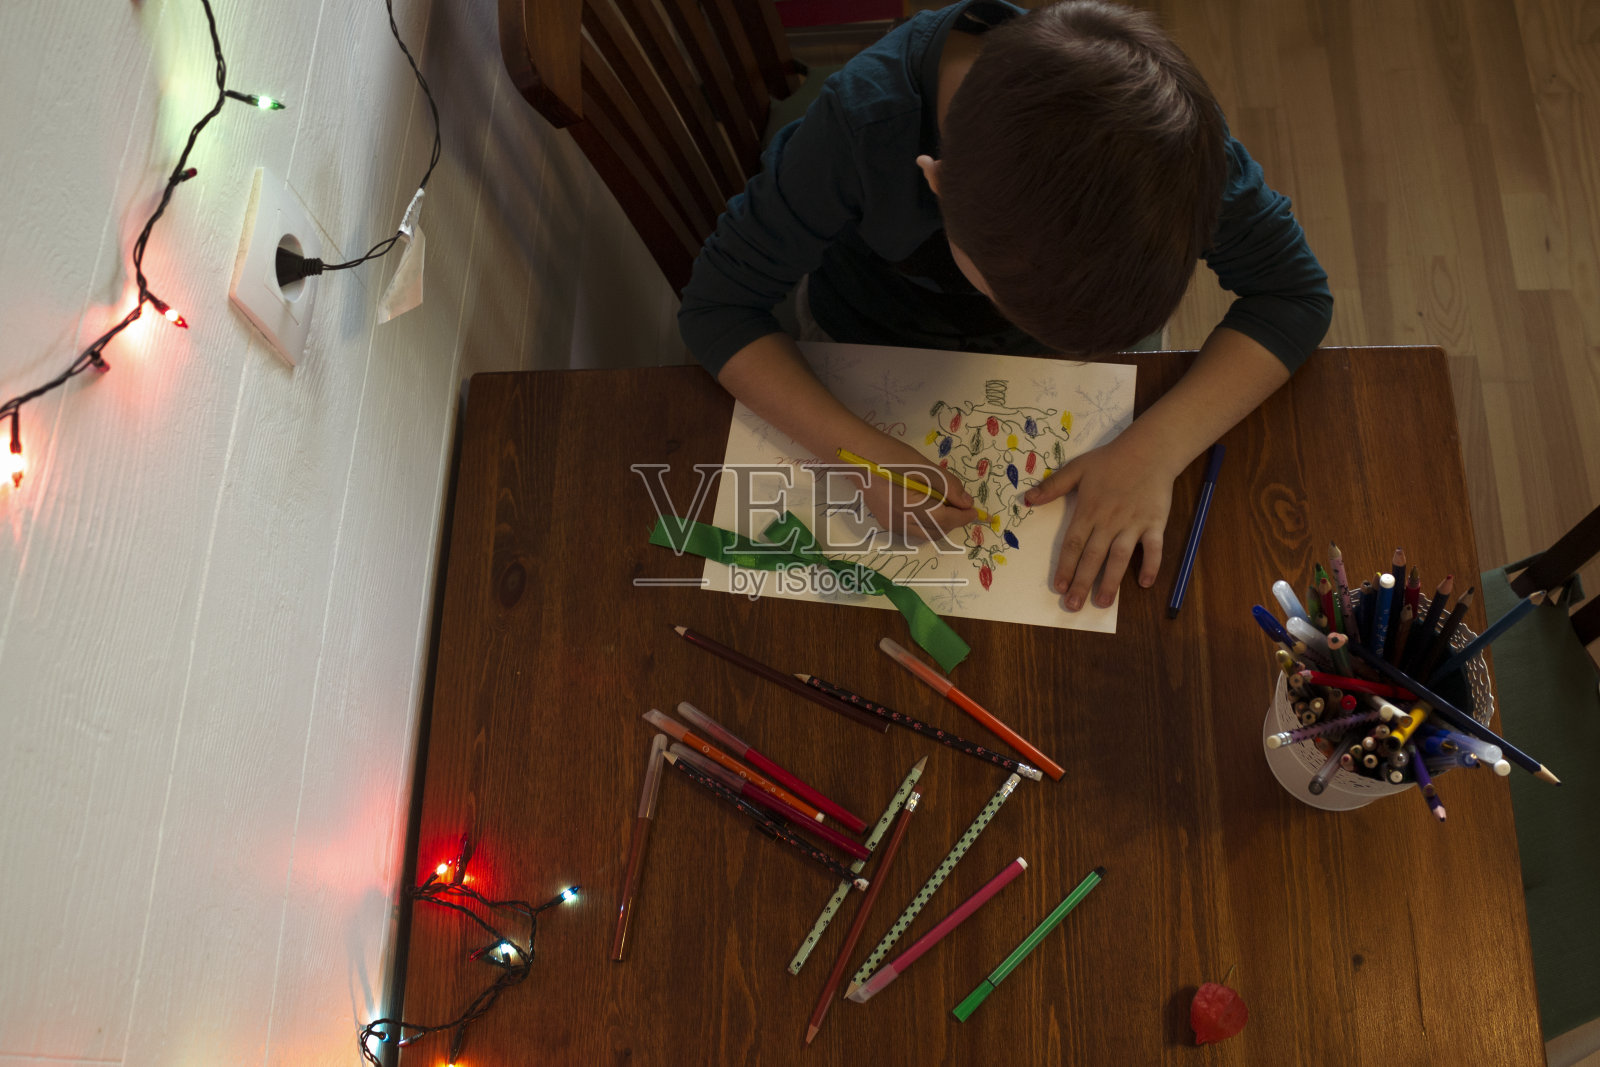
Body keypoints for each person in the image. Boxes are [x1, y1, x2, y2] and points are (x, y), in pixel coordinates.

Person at [678, 0, 1331, 613]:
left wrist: (1156, 448)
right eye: (1004, 294)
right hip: (863, 328)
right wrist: (857, 456)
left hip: (1053, 388)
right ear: (936, 182)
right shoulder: (859, 126)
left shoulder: (1173, 147)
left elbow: (1294, 294)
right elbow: (717, 309)